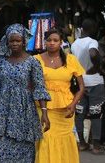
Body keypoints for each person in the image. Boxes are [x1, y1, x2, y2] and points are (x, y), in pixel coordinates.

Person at [0, 24, 51, 163]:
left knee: (25, 153)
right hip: (4, 111)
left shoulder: (33, 62)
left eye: (18, 40)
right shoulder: (1, 62)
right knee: (2, 153)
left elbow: (40, 88)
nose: (15, 44)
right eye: (12, 41)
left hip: (24, 112)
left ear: (23, 41)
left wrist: (45, 113)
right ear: (7, 42)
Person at [35, 28, 85, 163]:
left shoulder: (71, 59)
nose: (52, 43)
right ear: (45, 42)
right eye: (49, 40)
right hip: (44, 108)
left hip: (66, 108)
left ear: (61, 42)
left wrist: (73, 105)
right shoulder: (36, 60)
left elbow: (81, 87)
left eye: (55, 40)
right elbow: (33, 86)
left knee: (66, 139)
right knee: (46, 137)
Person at [71, 18, 105, 154]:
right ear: (92, 28)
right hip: (94, 81)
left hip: (81, 82)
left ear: (81, 28)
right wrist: (98, 67)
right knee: (96, 113)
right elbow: (93, 53)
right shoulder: (92, 41)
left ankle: (82, 143)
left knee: (80, 113)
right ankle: (96, 146)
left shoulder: (74, 44)